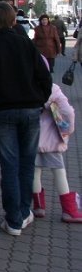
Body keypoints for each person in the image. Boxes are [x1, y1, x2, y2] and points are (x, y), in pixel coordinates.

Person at [0, 2, 51, 236]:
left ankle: (13, 219)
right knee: (27, 164)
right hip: (31, 109)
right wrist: (40, 100)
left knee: (9, 165)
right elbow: (44, 76)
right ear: (13, 20)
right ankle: (23, 212)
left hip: (5, 111)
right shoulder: (25, 43)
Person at [32, 58, 82, 223]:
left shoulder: (26, 88)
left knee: (35, 172)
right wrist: (68, 130)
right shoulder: (52, 89)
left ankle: (39, 207)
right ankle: (69, 210)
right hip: (52, 141)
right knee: (59, 172)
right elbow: (68, 112)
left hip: (32, 139)